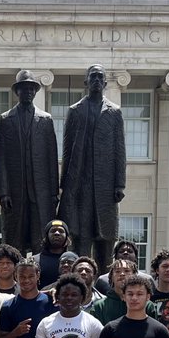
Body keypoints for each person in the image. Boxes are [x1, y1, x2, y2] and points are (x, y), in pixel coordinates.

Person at [58, 64, 126, 270]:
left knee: (105, 239)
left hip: (105, 186)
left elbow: (120, 149)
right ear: (86, 82)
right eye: (93, 77)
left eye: (100, 77)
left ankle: (105, 281)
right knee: (81, 238)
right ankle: (80, 281)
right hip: (81, 184)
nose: (96, 80)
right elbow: (67, 150)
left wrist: (119, 184)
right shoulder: (75, 111)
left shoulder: (114, 113)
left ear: (105, 83)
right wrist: (65, 186)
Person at [0, 71, 59, 257]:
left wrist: (53, 192)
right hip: (16, 192)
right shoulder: (6, 119)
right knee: (15, 238)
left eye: (31, 88)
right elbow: (1, 158)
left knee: (40, 237)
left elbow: (51, 158)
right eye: (24, 88)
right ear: (17, 91)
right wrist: (3, 191)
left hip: (41, 192)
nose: (28, 92)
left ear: (36, 92)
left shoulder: (45, 120)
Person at [31, 220, 71, 289]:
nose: (57, 233)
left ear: (67, 237)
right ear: (46, 236)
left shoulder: (74, 261)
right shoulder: (34, 261)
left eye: (61, 231)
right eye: (53, 231)